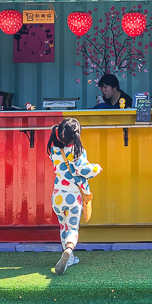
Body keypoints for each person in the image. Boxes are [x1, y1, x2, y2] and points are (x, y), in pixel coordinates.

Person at [47, 118, 102, 275]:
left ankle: (68, 255)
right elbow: (82, 170)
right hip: (73, 197)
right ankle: (69, 250)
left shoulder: (55, 151)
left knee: (63, 226)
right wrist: (96, 168)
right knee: (72, 228)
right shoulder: (79, 152)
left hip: (57, 196)